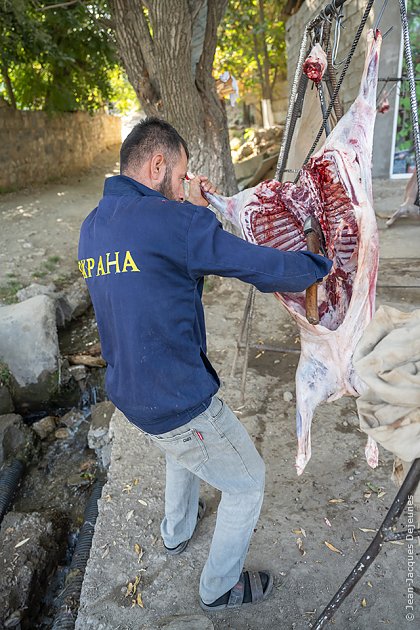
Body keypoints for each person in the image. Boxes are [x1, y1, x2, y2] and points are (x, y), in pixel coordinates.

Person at [78, 117, 332, 611]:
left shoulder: (93, 226)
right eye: (181, 175)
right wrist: (319, 267)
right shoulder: (173, 223)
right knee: (246, 481)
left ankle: (175, 533)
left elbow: (159, 276)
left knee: (180, 452)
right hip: (176, 398)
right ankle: (219, 587)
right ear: (158, 165)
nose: (184, 186)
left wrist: (191, 212)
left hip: (130, 392)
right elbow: (256, 265)